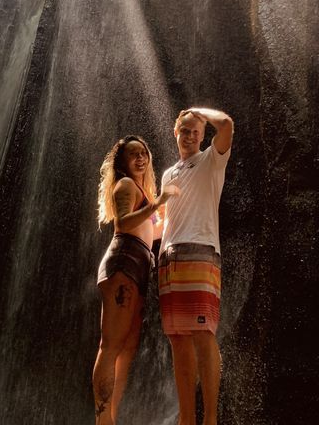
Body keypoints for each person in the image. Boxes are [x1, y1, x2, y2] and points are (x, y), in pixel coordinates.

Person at [93, 135, 179, 425]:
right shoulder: (126, 185)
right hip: (124, 261)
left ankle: (112, 418)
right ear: (123, 162)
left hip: (140, 265)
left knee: (127, 348)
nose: (140, 158)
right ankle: (103, 421)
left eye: (144, 153)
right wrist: (157, 205)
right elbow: (123, 223)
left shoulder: (141, 189)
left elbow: (151, 233)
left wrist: (170, 212)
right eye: (133, 155)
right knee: (111, 345)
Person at [158, 108, 234, 425]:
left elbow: (227, 124)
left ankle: (211, 418)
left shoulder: (210, 161)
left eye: (195, 132)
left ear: (202, 137)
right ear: (175, 134)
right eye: (184, 131)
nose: (189, 136)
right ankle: (186, 418)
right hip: (168, 260)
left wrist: (197, 112)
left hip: (201, 253)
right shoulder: (167, 174)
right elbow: (161, 220)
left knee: (203, 333)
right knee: (177, 338)